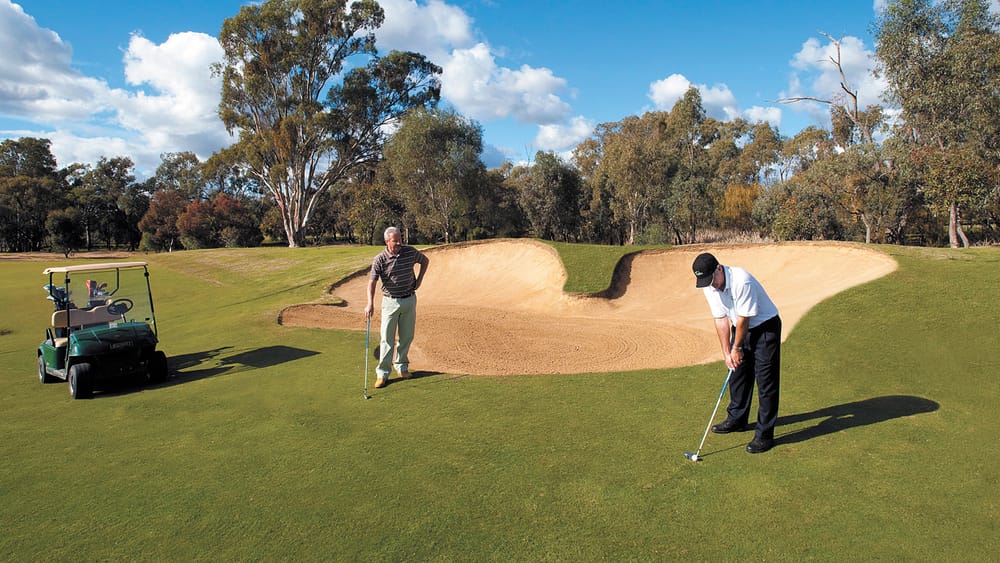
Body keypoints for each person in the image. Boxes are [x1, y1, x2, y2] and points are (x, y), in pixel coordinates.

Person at [693, 252, 782, 454]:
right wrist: (727, 353)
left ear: (718, 269)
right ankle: (737, 419)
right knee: (737, 374)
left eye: (710, 279)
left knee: (766, 382)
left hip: (765, 328)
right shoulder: (709, 285)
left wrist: (737, 348)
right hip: (739, 327)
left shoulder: (743, 281)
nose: (710, 284)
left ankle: (765, 435)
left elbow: (744, 320)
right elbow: (721, 320)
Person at [365, 227, 429, 388]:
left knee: (406, 336)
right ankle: (383, 374)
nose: (400, 242)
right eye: (396, 240)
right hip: (390, 302)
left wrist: (419, 280)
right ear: (387, 241)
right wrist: (370, 303)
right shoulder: (380, 259)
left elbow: (424, 261)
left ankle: (402, 367)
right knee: (387, 339)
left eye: (400, 239)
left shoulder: (410, 252)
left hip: (409, 299)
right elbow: (372, 282)